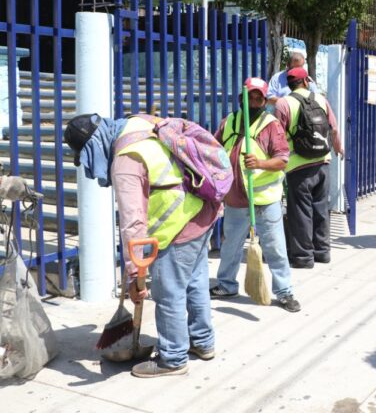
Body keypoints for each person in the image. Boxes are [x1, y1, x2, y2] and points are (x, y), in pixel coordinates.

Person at [64, 113, 220, 378]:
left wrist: (135, 276)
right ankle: (202, 342)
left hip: (178, 222)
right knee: (195, 280)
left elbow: (133, 224)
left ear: (92, 147)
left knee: (168, 292)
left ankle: (173, 358)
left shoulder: (125, 160)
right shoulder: (137, 124)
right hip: (204, 207)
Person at [209, 77, 301, 312]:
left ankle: (284, 291)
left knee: (275, 247)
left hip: (264, 199)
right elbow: (214, 149)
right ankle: (226, 284)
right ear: (242, 98)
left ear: (264, 100)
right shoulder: (230, 121)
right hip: (235, 198)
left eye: (259, 97)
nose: (255, 100)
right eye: (251, 96)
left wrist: (259, 162)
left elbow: (282, 160)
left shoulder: (271, 124)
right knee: (230, 245)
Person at [275, 67, 343, 268]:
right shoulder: (321, 99)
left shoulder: (283, 103)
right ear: (305, 81)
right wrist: (338, 149)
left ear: (289, 85)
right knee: (321, 207)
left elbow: (277, 135)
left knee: (301, 212)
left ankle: (304, 257)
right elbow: (334, 128)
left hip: (297, 166)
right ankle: (322, 252)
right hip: (323, 161)